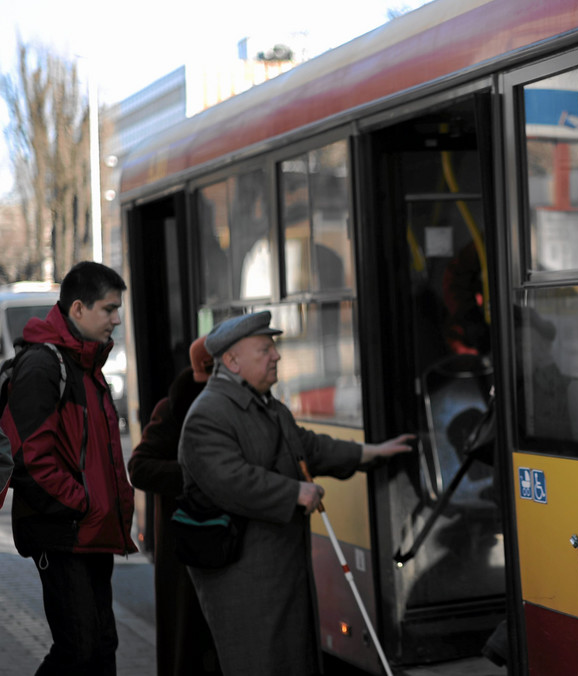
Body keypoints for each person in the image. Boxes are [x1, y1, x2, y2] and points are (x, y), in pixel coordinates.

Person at [178, 310, 416, 676]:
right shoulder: (207, 415)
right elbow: (230, 480)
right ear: (232, 361)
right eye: (265, 349)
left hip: (280, 569)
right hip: (243, 576)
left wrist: (372, 453)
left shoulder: (267, 406)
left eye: (273, 348)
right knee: (259, 662)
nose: (276, 356)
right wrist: (294, 492)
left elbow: (309, 447)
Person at [0, 261, 135, 676]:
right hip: (64, 533)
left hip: (91, 533)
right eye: (109, 309)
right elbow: (29, 459)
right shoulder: (45, 367)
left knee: (101, 648)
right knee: (78, 649)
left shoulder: (88, 366)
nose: (117, 319)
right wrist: (85, 504)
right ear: (78, 309)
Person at [127, 337, 222, 676]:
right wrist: (196, 475)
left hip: (225, 544)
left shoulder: (239, 404)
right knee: (190, 644)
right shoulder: (175, 407)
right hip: (186, 541)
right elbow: (139, 467)